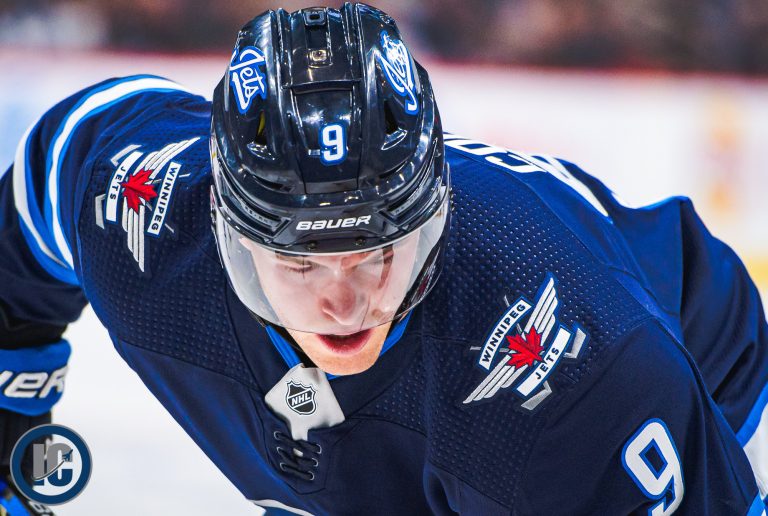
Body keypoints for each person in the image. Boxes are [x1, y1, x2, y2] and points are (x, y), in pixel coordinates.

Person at [1, 3, 766, 514]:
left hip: (668, 362)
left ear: (436, 217)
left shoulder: (580, 383)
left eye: (378, 253)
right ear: (226, 228)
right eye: (301, 263)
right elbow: (36, 202)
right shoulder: (136, 204)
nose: (344, 304)